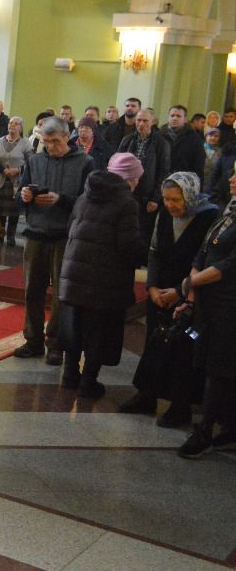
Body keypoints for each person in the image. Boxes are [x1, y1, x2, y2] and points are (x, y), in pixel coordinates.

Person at [119, 171, 218, 426]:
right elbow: (154, 252)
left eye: (176, 199)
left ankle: (180, 405)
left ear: (190, 196)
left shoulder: (208, 217)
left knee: (183, 351)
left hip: (189, 293)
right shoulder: (164, 214)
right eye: (166, 199)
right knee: (154, 343)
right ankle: (147, 395)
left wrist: (179, 291)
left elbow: (204, 260)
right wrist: (152, 287)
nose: (170, 205)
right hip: (160, 292)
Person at [54, 166, 148, 398]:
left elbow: (70, 228)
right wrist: (147, 256)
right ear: (130, 179)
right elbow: (128, 245)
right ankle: (88, 383)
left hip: (74, 273)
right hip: (105, 279)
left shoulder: (85, 195)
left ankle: (69, 377)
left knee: (74, 326)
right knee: (98, 331)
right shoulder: (126, 203)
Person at [14, 116, 94, 364]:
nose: (50, 146)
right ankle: (33, 340)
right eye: (46, 141)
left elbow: (89, 201)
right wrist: (24, 195)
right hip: (36, 233)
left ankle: (56, 343)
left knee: (61, 293)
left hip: (64, 236)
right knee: (32, 291)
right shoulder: (35, 160)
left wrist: (61, 200)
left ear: (67, 137)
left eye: (55, 141)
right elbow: (20, 194)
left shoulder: (85, 162)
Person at [176, 170, 236, 458]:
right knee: (206, 359)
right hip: (207, 303)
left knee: (219, 368)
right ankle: (228, 426)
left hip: (229, 306)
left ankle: (205, 431)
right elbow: (203, 251)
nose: (232, 179)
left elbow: (230, 265)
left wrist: (191, 282)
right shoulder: (228, 213)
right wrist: (191, 290)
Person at [117, 108, 171, 240]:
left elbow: (163, 172)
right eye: (139, 120)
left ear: (152, 122)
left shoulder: (161, 142)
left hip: (147, 196)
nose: (141, 124)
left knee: (142, 233)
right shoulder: (127, 140)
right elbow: (117, 166)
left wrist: (155, 198)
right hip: (127, 192)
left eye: (145, 121)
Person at [0, 116, 27, 245]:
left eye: (16, 124)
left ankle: (11, 237)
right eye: (10, 123)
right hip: (1, 181)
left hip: (16, 183)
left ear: (21, 127)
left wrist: (17, 170)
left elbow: (31, 162)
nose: (12, 125)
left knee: (14, 212)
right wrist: (4, 170)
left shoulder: (25, 143)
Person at [161, 105, 206, 177]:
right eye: (172, 116)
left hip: (183, 179)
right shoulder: (159, 136)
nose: (174, 118)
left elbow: (199, 164)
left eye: (178, 116)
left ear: (185, 119)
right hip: (161, 178)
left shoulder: (194, 138)